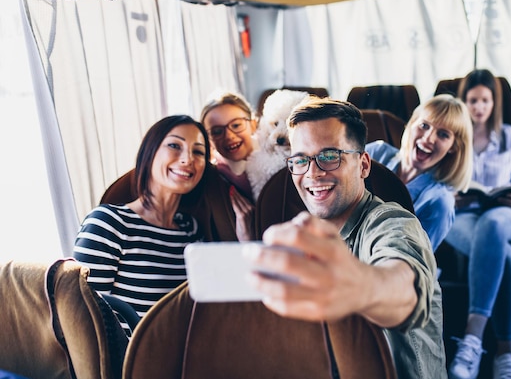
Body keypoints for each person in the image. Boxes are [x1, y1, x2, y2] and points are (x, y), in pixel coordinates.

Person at [243, 97, 446, 378]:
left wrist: (358, 287)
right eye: (301, 159)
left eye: (329, 156)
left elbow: (405, 287)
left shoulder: (392, 223)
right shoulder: (304, 238)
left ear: (363, 165)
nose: (312, 173)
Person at [73, 115, 208, 320]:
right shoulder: (108, 223)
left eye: (198, 151)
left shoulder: (192, 230)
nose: (187, 159)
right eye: (174, 145)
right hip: (127, 352)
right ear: (150, 153)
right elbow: (81, 319)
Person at [445, 70, 511, 379]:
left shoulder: (510, 136)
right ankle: (505, 354)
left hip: (510, 216)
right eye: (473, 101)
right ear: (463, 102)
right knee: (505, 257)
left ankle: (472, 337)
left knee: (495, 223)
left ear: (494, 103)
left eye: (485, 100)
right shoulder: (452, 136)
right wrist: (452, 196)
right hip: (464, 216)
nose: (479, 107)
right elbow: (442, 186)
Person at [366, 94, 473, 250]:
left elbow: (413, 262)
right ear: (411, 124)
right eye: (424, 126)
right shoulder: (376, 153)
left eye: (443, 134)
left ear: (453, 147)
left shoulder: (439, 203)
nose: (429, 138)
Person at [200, 90, 257, 241]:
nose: (229, 136)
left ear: (253, 125)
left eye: (236, 125)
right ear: (208, 140)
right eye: (217, 131)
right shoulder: (212, 177)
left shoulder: (281, 159)